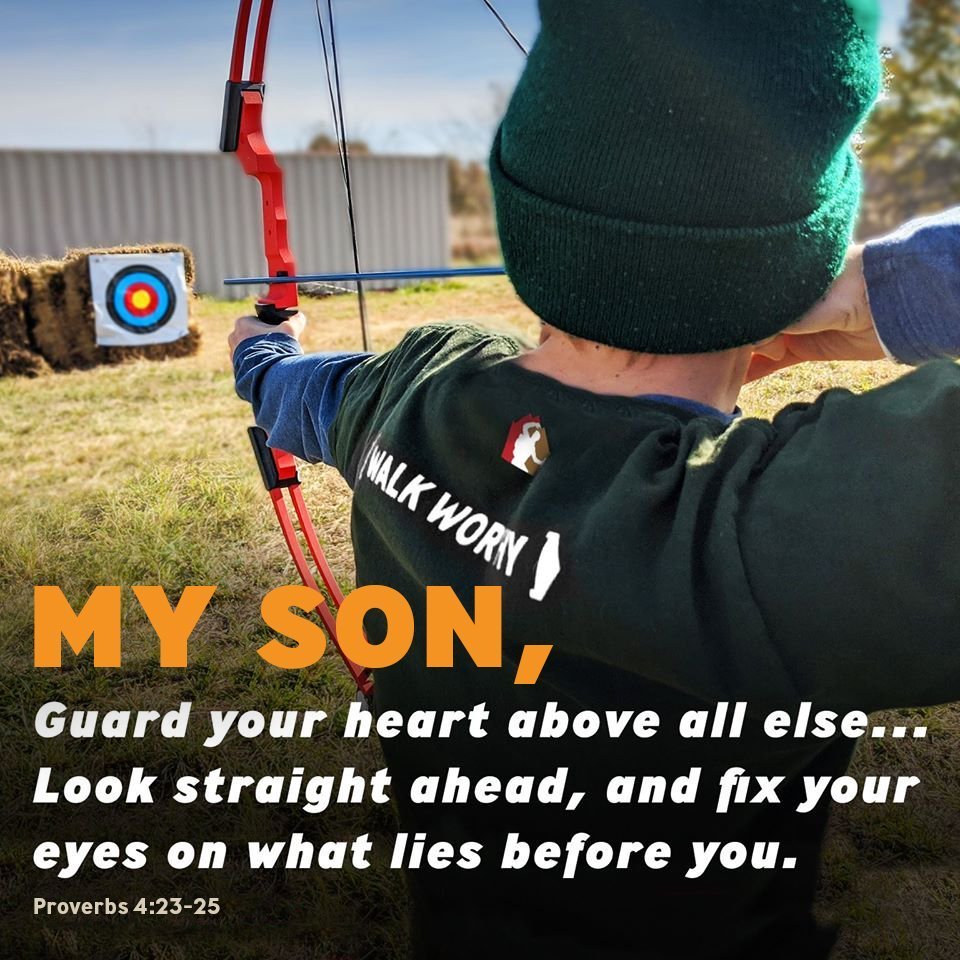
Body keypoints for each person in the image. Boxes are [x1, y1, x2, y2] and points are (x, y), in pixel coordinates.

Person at [231, 2, 960, 957]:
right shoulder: (776, 532)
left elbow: (296, 394)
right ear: (800, 257)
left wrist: (258, 351)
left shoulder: (413, 391)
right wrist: (900, 287)